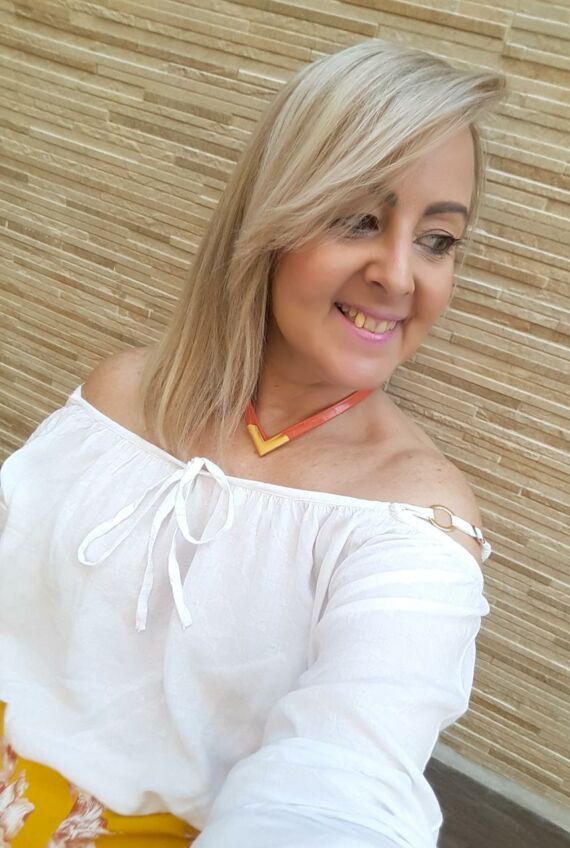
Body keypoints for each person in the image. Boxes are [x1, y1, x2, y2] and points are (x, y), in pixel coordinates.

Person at [0, 38, 505, 847]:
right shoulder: (120, 394)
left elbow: (342, 786)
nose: (400, 275)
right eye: (359, 219)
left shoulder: (413, 523)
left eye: (438, 239)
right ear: (271, 218)